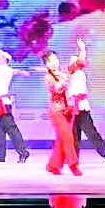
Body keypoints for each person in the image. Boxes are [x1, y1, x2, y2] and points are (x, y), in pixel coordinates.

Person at [41, 38, 86, 176]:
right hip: (56, 111)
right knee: (67, 136)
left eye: (55, 59)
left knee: (62, 139)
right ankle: (73, 164)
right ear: (46, 64)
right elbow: (58, 88)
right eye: (50, 61)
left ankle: (53, 166)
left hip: (69, 110)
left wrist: (82, 49)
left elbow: (79, 63)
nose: (53, 63)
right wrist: (63, 79)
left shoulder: (65, 69)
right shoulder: (48, 78)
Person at [0, 50, 31, 164]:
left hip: (2, 104)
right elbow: (16, 71)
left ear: (4, 59)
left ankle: (23, 152)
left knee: (11, 129)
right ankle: (0, 156)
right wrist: (22, 72)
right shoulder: (9, 69)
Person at [67, 56, 105, 164]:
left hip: (81, 107)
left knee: (91, 132)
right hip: (71, 107)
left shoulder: (79, 74)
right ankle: (74, 158)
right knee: (74, 135)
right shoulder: (68, 74)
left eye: (75, 62)